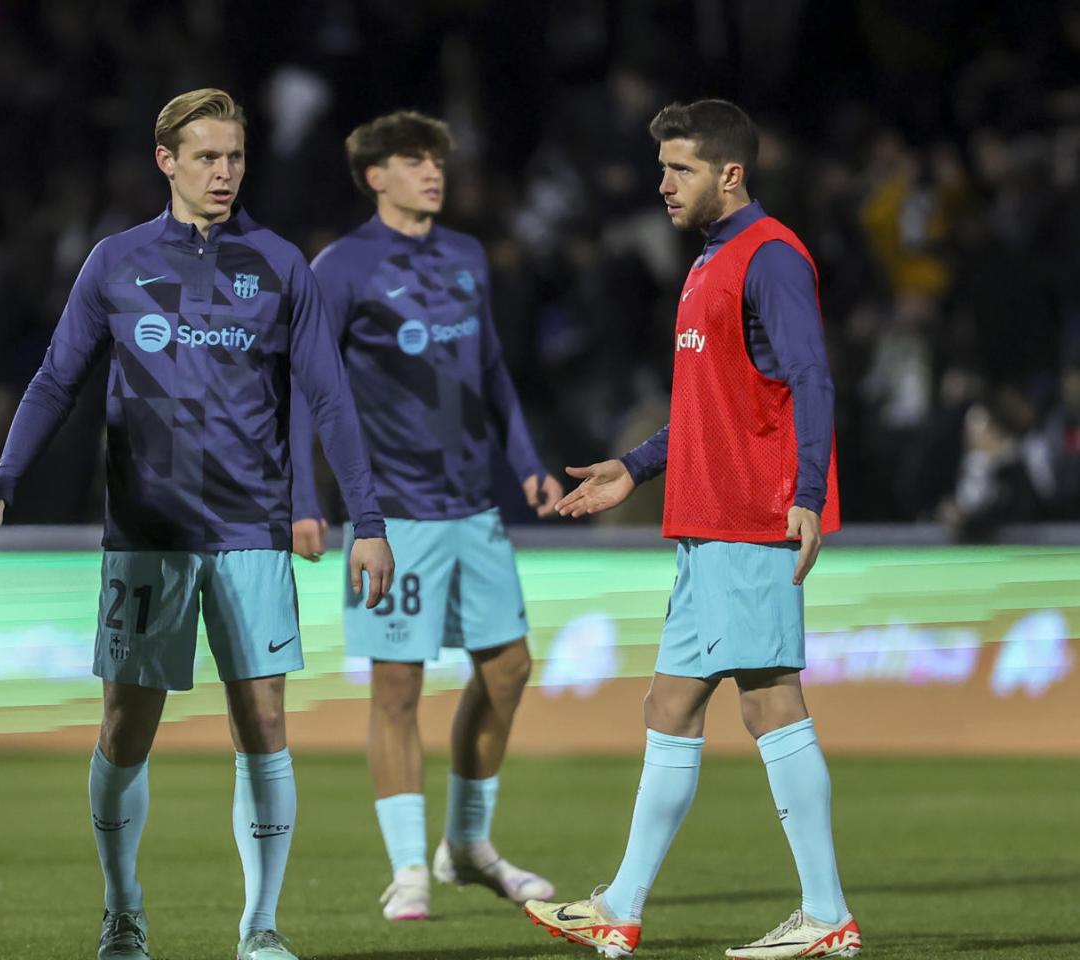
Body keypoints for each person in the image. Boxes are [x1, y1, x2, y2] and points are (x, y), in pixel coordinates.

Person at [0, 88, 395, 960]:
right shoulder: (116, 261)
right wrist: (1, 486)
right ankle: (123, 910)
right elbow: (55, 380)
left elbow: (330, 398)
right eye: (206, 157)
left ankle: (261, 925)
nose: (224, 172)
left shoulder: (280, 264)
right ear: (166, 161)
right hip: (148, 530)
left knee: (263, 720)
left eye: (235, 157)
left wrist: (368, 519)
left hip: (251, 527)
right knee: (125, 728)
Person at [524, 99, 860, 959]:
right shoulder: (712, 259)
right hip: (707, 520)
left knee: (770, 701)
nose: (664, 184)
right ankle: (621, 907)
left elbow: (812, 378)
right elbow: (714, 407)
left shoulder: (770, 257)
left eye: (681, 169)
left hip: (749, 518)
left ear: (730, 174)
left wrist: (808, 492)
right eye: (663, 167)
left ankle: (825, 915)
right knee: (670, 705)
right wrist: (633, 467)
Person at [287, 110, 561, 923]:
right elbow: (308, 387)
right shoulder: (341, 267)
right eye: (414, 161)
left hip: (474, 505)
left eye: (436, 159)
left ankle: (467, 846)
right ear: (376, 176)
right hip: (393, 515)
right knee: (397, 686)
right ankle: (409, 868)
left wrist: (528, 461)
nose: (433, 172)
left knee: (508, 669)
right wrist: (304, 498)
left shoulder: (467, 255)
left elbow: (492, 370)